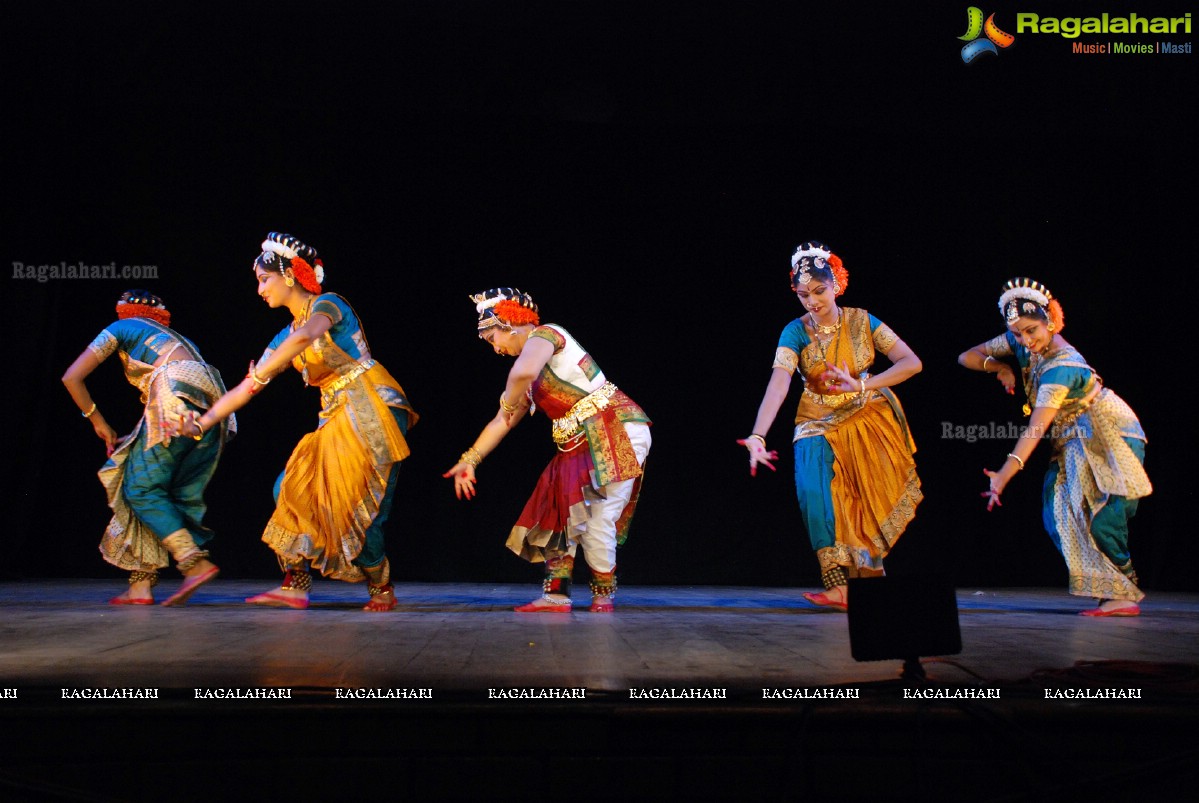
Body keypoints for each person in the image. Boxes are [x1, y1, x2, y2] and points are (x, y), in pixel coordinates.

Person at [176, 233, 418, 611]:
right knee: (288, 488)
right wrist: (202, 422)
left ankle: (381, 586)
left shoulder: (329, 303)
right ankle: (296, 584)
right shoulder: (282, 336)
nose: (259, 290)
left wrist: (264, 372)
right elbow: (246, 389)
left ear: (288, 276)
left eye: (263, 280)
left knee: (361, 505)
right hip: (334, 414)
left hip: (373, 405)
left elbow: (309, 334)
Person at [739, 241, 923, 610]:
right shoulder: (794, 331)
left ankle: (868, 581)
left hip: (865, 415)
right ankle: (837, 585)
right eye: (803, 294)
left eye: (820, 291)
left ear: (837, 284)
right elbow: (779, 382)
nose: (812, 301)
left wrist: (863, 384)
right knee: (816, 495)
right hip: (814, 420)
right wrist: (758, 434)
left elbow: (911, 362)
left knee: (861, 500)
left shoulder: (862, 320)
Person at [444, 288, 651, 613]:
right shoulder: (527, 379)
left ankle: (603, 596)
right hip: (576, 443)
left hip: (614, 430)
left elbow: (520, 375)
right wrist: (470, 459)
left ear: (509, 322)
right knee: (556, 513)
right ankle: (556, 596)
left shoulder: (547, 334)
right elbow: (502, 420)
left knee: (597, 521)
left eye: (493, 338)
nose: (496, 348)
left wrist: (510, 398)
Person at [958, 277, 1150, 616]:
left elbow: (1036, 428)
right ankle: (1114, 589)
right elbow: (967, 356)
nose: (1025, 340)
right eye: (1017, 334)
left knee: (1102, 512)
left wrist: (1004, 473)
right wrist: (1000, 365)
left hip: (1109, 433)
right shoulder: (1018, 342)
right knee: (1057, 512)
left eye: (1032, 331)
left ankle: (1124, 589)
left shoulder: (1061, 366)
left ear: (1051, 321)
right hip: (1073, 435)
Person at [62, 290, 235, 606]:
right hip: (214, 404)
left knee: (140, 488)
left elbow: (72, 377)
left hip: (174, 394)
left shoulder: (121, 329)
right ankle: (140, 583)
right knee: (146, 485)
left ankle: (194, 563)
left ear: (125, 313)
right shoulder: (172, 339)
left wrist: (97, 420)